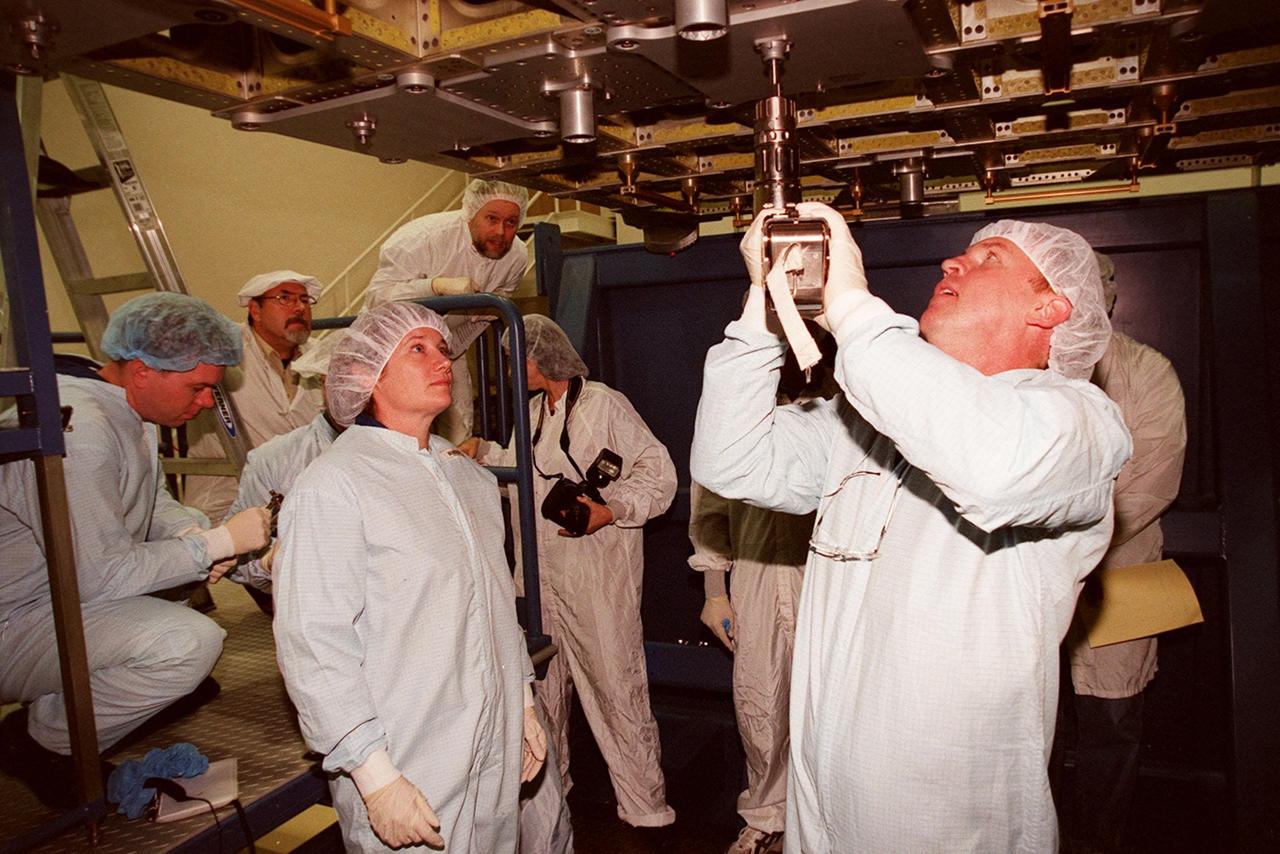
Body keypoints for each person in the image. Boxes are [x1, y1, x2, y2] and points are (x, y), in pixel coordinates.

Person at [690, 204, 1133, 851]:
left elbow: (989, 463)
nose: (955, 262)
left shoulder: (1081, 424)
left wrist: (851, 302)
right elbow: (731, 461)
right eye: (963, 253)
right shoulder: (876, 422)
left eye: (990, 260)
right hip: (824, 810)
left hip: (950, 824)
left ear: (1050, 310)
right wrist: (765, 310)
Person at [272, 301, 545, 852]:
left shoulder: (466, 477)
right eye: (417, 350)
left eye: (442, 349)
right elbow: (314, 643)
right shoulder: (335, 485)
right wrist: (374, 777)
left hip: (492, 745)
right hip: (408, 759)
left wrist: (522, 702)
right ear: (368, 375)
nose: (441, 360)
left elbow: (495, 604)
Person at [0, 292, 273, 808]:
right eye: (196, 389)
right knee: (187, 644)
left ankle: (83, 703)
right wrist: (216, 542)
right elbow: (99, 576)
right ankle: (44, 742)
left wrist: (195, 536)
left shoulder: (122, 407)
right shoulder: (79, 431)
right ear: (143, 370)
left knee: (176, 581)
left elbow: (151, 501)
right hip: (13, 621)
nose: (202, 404)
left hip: (49, 600)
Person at [470, 315, 678, 831]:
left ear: (541, 358)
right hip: (540, 580)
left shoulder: (604, 405)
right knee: (541, 696)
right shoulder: (534, 413)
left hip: (596, 579)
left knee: (616, 692)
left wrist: (613, 509)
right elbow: (521, 474)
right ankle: (551, 798)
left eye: (518, 359)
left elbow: (659, 472)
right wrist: (477, 456)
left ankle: (644, 809)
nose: (513, 371)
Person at [1064, 253, 1187, 853]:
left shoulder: (1147, 370)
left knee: (1111, 721)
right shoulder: (1032, 365)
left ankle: (1099, 843)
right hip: (1031, 582)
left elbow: (1153, 483)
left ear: (1110, 297)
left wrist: (1072, 546)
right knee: (1023, 717)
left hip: (1119, 575)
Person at [364, 179, 530, 443]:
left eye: (511, 222)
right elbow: (377, 300)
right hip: (393, 352)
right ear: (470, 214)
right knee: (394, 432)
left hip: (448, 347)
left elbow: (482, 318)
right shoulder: (423, 239)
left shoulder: (517, 257)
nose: (500, 231)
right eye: (491, 218)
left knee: (460, 433)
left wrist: (453, 347)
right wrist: (435, 286)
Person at [182, 270, 326, 525]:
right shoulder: (221, 348)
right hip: (225, 497)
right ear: (255, 310)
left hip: (300, 501)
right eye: (284, 298)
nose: (298, 308)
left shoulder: (321, 357)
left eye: (304, 300)